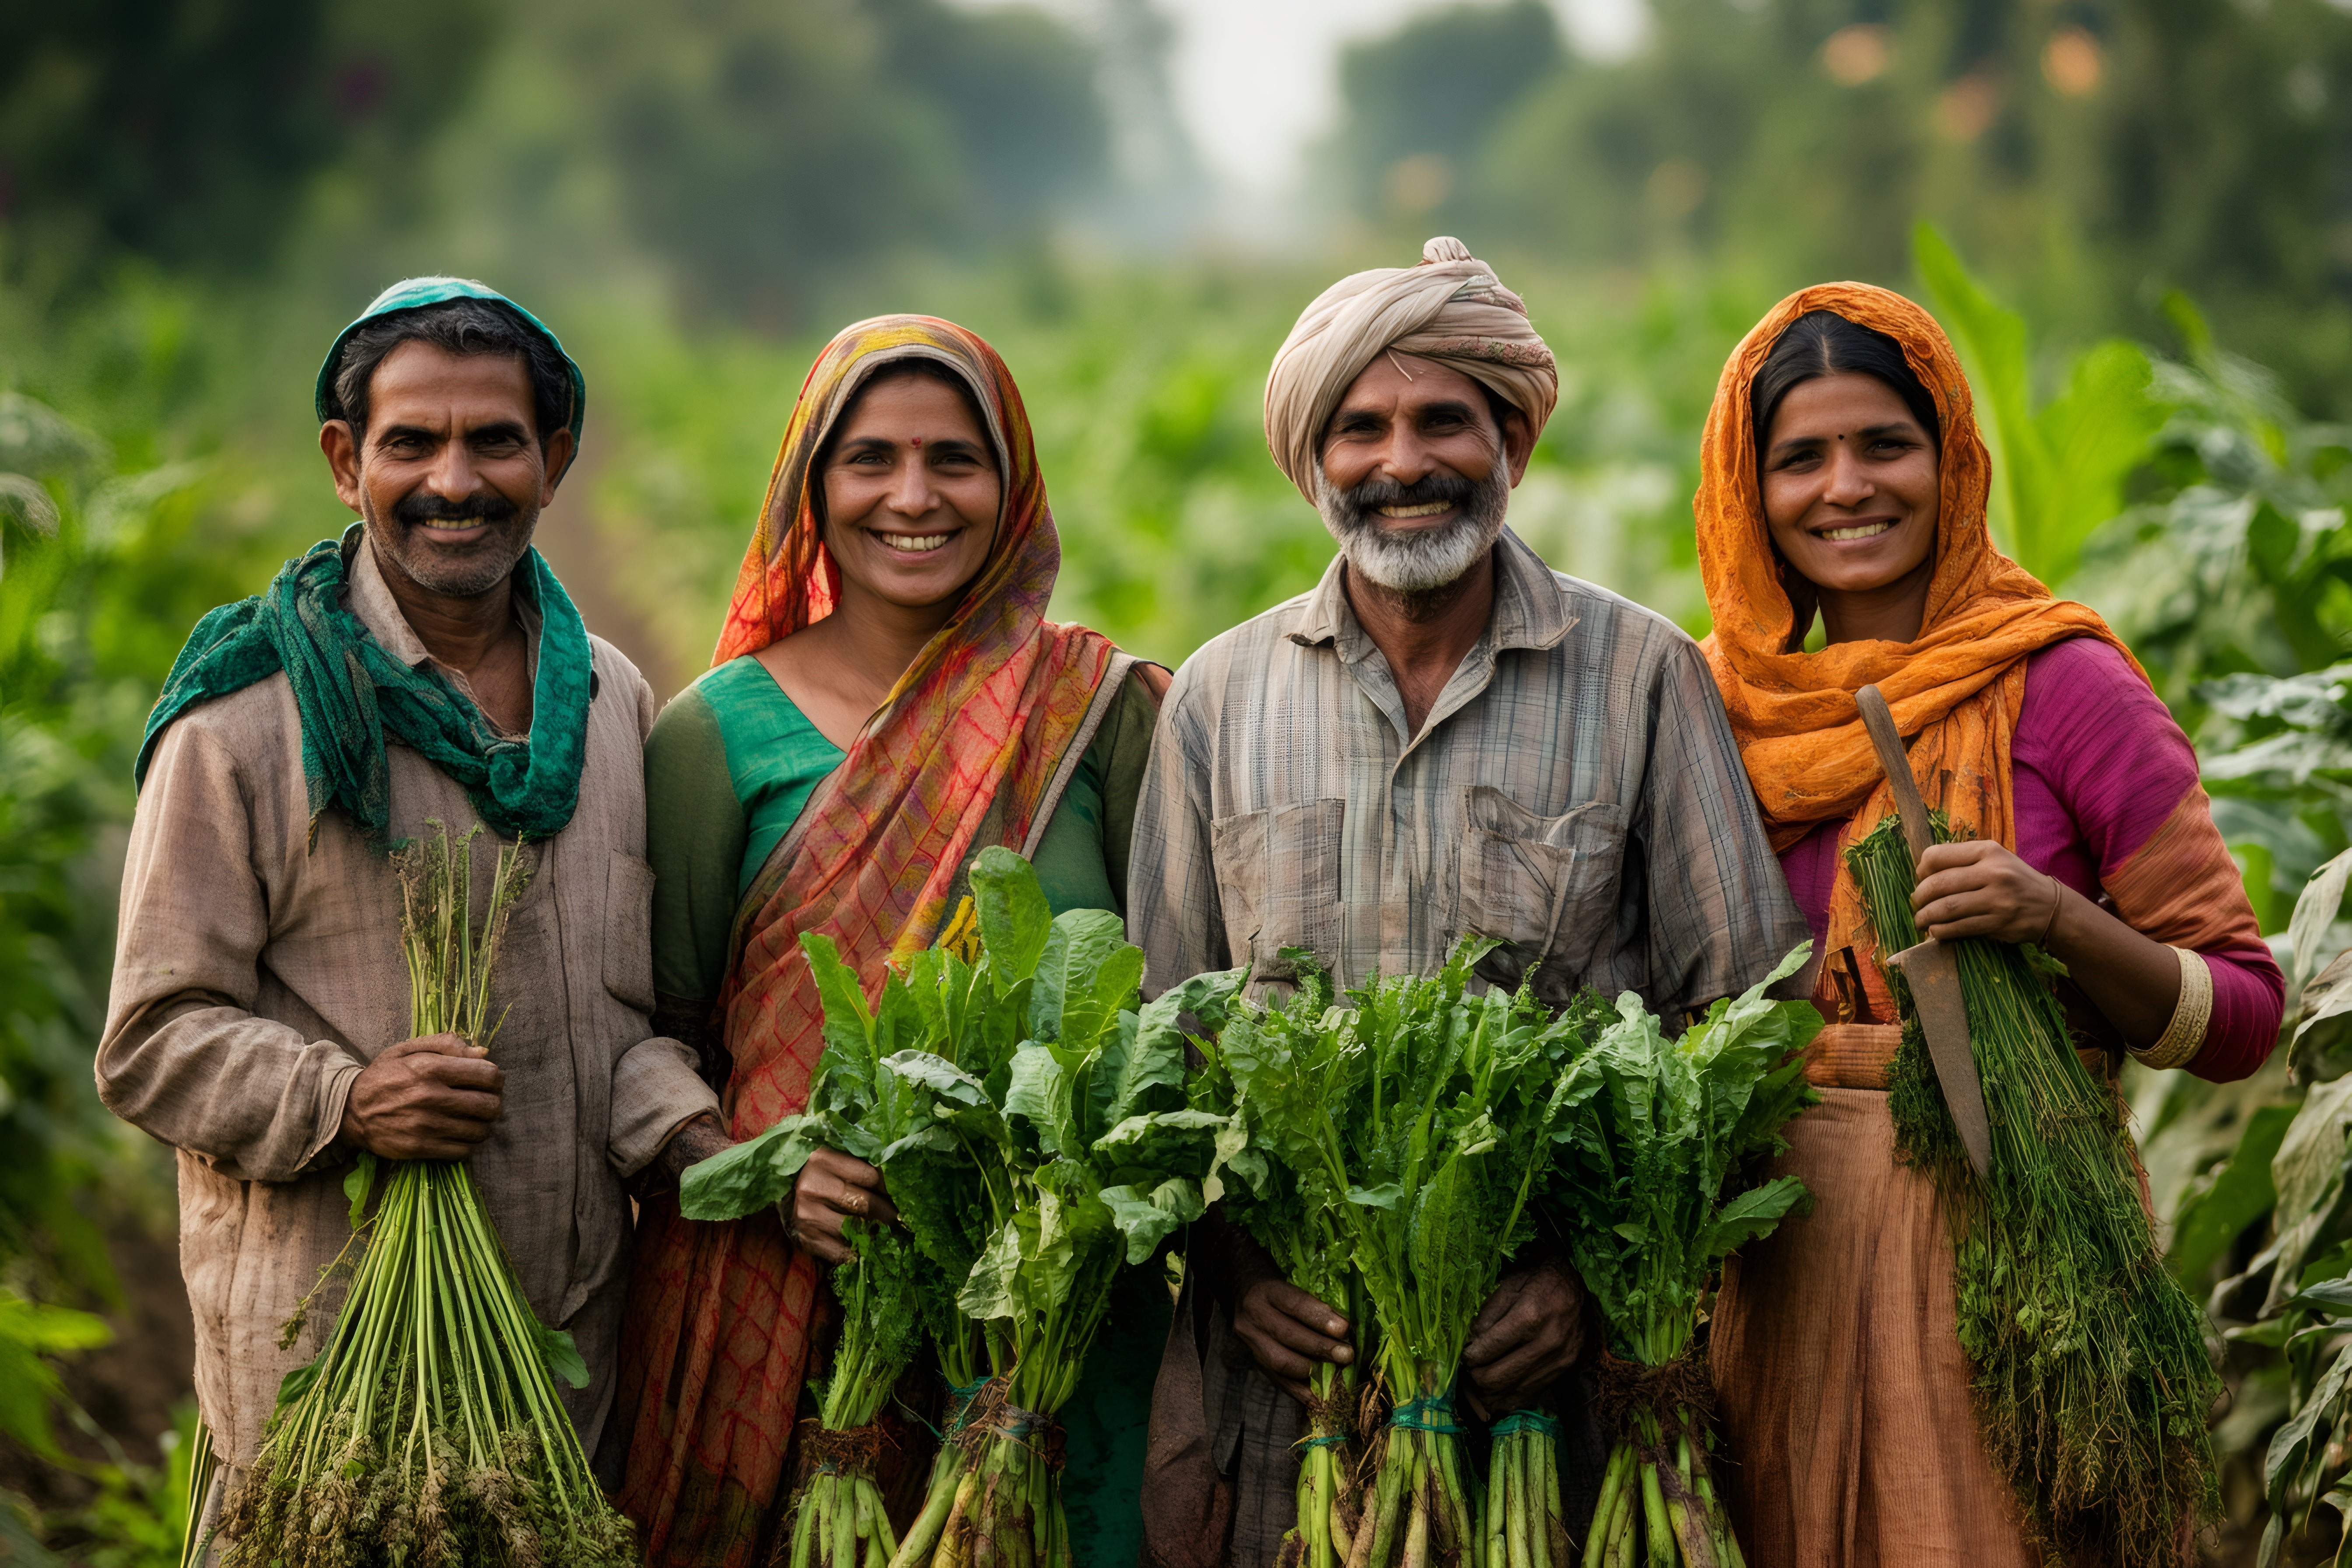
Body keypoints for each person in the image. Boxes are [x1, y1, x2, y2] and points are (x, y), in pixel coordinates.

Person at [1130, 237, 1813, 1568]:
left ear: (1514, 441)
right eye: (1361, 429)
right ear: (1313, 460)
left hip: (1549, 1392)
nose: (1402, 463)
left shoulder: (1641, 678)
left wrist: (1586, 1279)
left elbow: (1746, 1015)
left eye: (1444, 419)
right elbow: (1166, 1040)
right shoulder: (1220, 697)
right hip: (1298, 1384)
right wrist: (1233, 1272)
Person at [96, 279, 722, 1548]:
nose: (456, 480)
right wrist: (343, 1098)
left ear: (553, 460)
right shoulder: (250, 719)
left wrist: (703, 1140)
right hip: (332, 1386)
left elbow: (628, 1024)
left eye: (495, 441)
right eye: (411, 443)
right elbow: (151, 1037)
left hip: (567, 1379)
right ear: (346, 462)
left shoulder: (606, 702)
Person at [1694, 285, 2285, 1565]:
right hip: (1779, 1277)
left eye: (1884, 446)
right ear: (1751, 492)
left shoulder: (2067, 686)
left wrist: (2057, 917)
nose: (1846, 487)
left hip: (2026, 1279)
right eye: (1800, 457)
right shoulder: (1712, 721)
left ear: (1951, 458)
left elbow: (2241, 1010)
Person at [611, 315, 1168, 1568]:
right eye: (869, 459)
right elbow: (651, 1034)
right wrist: (761, 1167)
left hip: (1054, 1313)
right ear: (812, 486)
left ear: (1011, 483)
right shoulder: (717, 737)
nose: (913, 496)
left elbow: (1174, 997)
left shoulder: (1098, 715)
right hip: (799, 1293)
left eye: (954, 459)